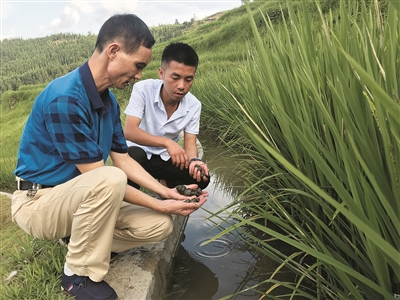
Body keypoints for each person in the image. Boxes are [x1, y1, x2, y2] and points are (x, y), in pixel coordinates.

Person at [11, 14, 207, 300]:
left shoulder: (108, 101)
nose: (140, 75)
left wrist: (167, 194)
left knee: (159, 225)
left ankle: (81, 239)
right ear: (114, 51)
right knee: (111, 178)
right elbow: (101, 177)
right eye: (138, 65)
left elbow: (123, 158)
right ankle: (77, 276)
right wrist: (160, 203)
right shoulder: (66, 98)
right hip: (39, 203)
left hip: (78, 200)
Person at [124, 42, 210, 191]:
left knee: (202, 179)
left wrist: (195, 161)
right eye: (175, 78)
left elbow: (190, 144)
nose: (182, 86)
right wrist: (167, 143)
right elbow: (130, 131)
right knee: (132, 155)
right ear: (161, 73)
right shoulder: (143, 90)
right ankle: (133, 200)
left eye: (188, 80)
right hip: (139, 154)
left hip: (165, 159)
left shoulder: (194, 105)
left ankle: (165, 185)